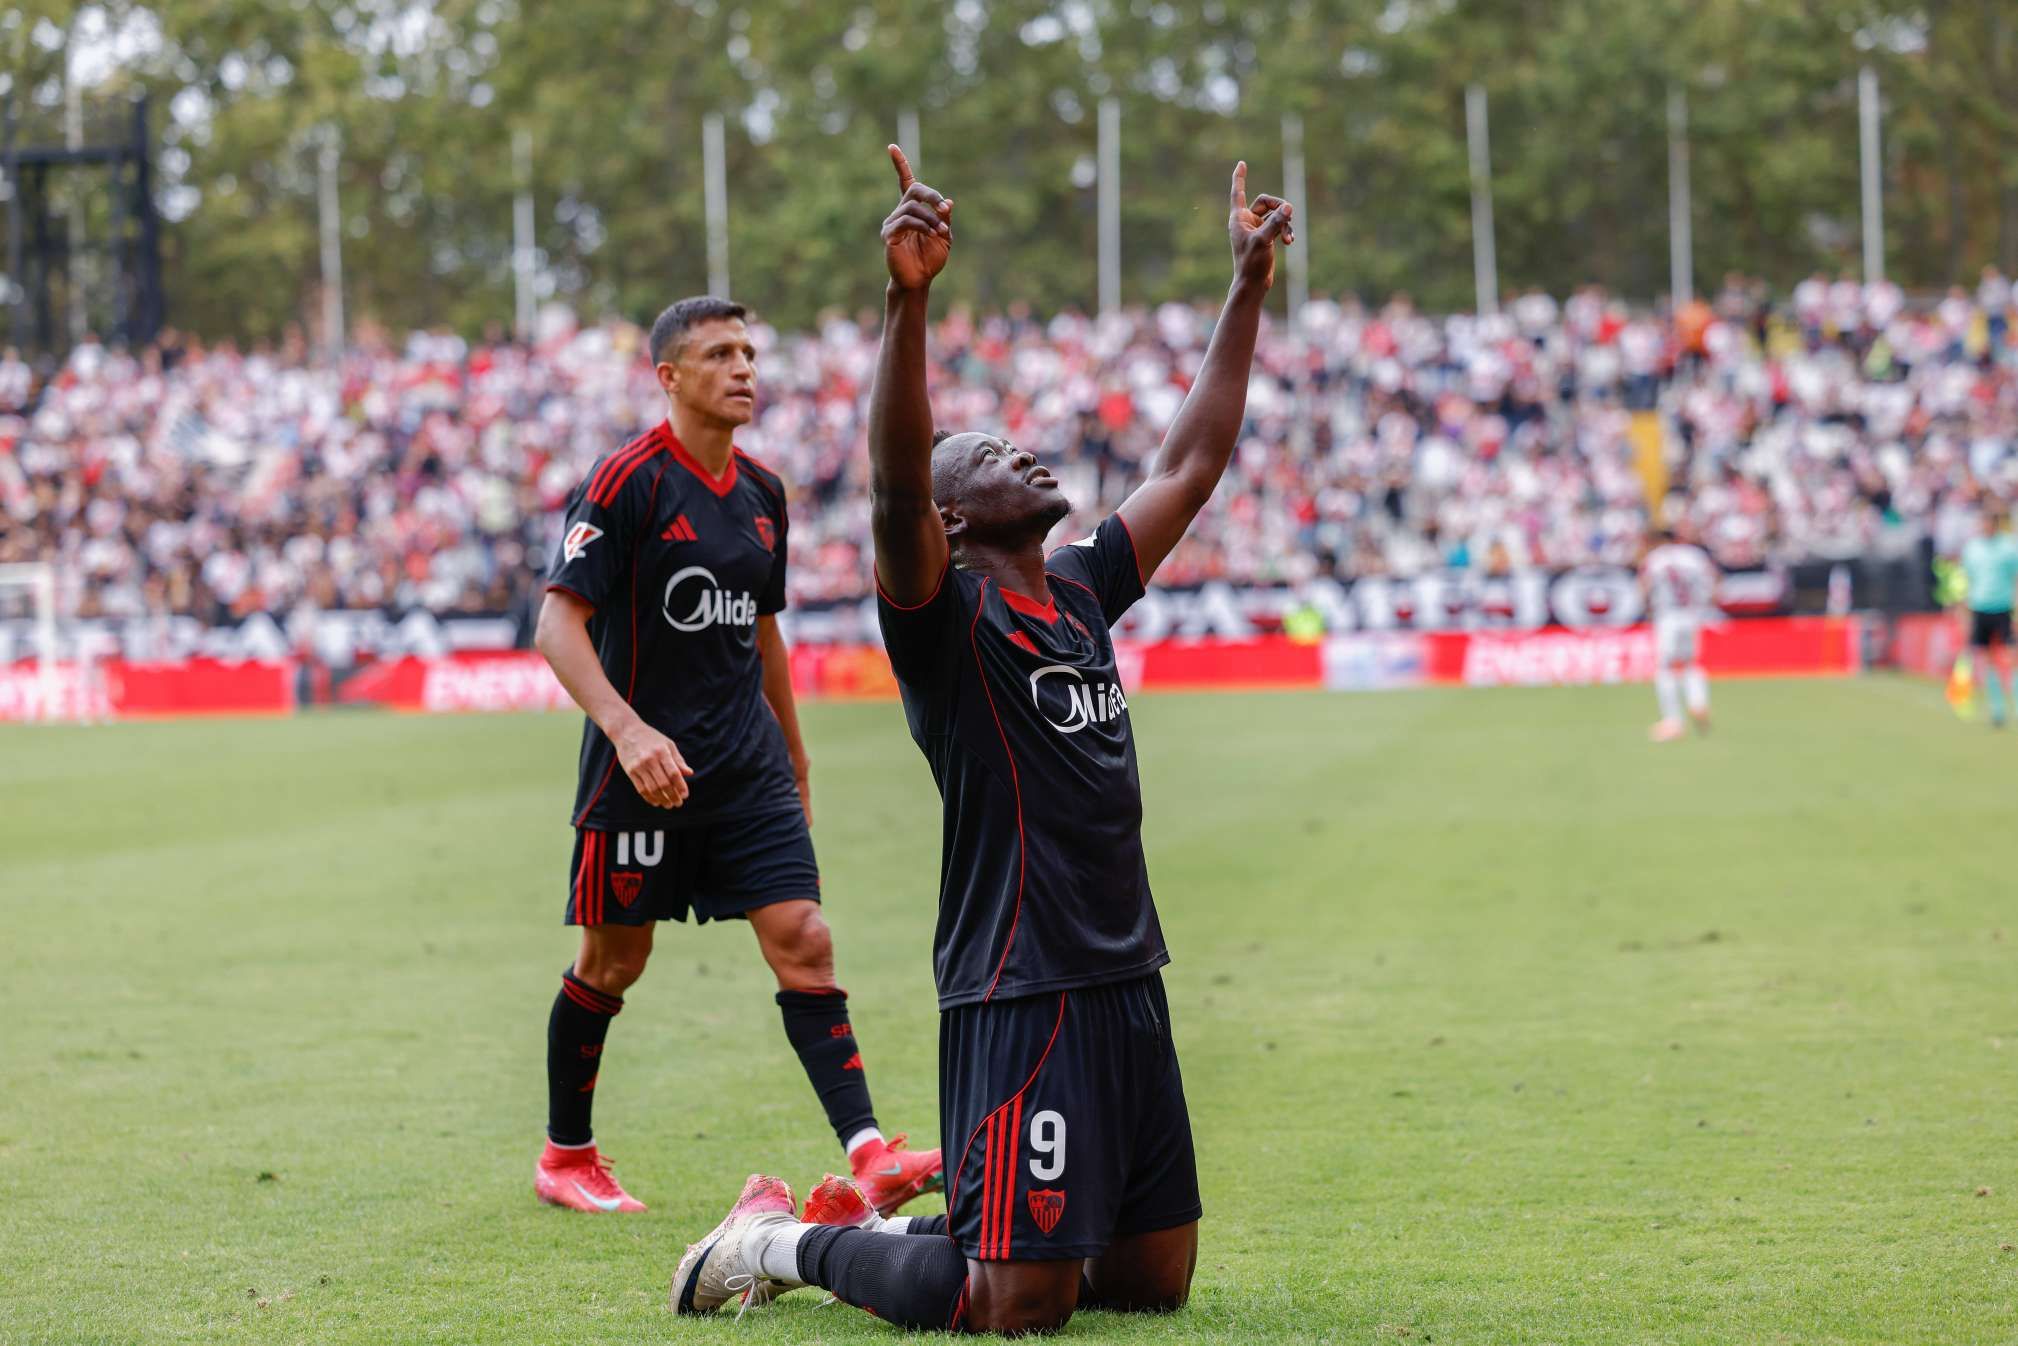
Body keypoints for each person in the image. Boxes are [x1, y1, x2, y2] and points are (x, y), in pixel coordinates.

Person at [672, 148, 1294, 1333]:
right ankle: (778, 1240)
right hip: (1020, 985)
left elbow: (1190, 461)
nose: (1022, 450)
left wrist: (1244, 287)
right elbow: (894, 485)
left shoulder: (1077, 587)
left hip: (1125, 976)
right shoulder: (940, 621)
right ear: (954, 518)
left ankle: (946, 1211)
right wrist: (908, 301)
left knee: (1146, 1284)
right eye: (989, 455)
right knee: (1011, 1305)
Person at [530, 295, 941, 1215]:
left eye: (751, 352)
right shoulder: (625, 481)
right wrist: (628, 732)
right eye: (720, 354)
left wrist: (794, 757)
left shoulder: (763, 494)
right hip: (643, 776)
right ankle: (566, 1158)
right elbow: (557, 625)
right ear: (670, 378)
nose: (745, 368)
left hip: (748, 769)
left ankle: (869, 1151)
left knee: (805, 939)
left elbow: (763, 636)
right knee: (613, 962)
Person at [1640, 521, 1720, 741]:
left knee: (1665, 668)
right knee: (1690, 664)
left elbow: (1645, 587)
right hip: (1692, 615)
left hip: (1668, 616)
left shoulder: (1655, 559)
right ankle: (1698, 702)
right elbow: (1713, 581)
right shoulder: (1694, 555)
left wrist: (1647, 607)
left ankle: (1673, 720)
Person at [1959, 506, 2018, 727]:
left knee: (2012, 657)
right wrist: (1963, 609)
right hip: (1979, 608)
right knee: (1987, 660)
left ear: (1994, 524)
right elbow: (1967, 580)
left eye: (1986, 523)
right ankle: (1997, 709)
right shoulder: (1972, 549)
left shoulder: (2008, 548)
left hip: (2002, 608)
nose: (1983, 527)